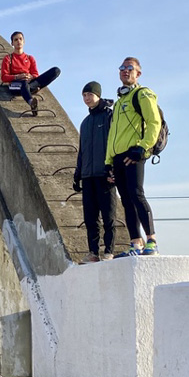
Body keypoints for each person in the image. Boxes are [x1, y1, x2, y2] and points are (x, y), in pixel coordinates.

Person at [105, 57, 161, 257]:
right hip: (118, 157)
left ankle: (151, 240)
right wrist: (108, 162)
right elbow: (113, 135)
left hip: (134, 154)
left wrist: (142, 148)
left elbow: (154, 122)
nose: (125, 71)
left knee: (137, 195)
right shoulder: (119, 103)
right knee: (126, 201)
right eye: (122, 68)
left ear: (138, 73)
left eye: (130, 68)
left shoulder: (143, 94)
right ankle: (135, 242)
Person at [73, 82, 117, 262]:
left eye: (89, 94)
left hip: (104, 173)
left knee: (108, 216)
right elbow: (82, 151)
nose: (86, 98)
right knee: (90, 218)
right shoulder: (86, 122)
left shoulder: (109, 116)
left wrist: (113, 169)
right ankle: (93, 252)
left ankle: (109, 250)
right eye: (84, 95)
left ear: (98, 95)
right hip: (88, 175)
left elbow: (114, 144)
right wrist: (78, 174)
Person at [0, 31, 60, 116]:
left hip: (29, 82)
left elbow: (35, 74)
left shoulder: (29, 58)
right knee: (24, 83)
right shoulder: (8, 58)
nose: (18, 41)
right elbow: (4, 77)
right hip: (15, 85)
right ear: (12, 43)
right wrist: (18, 77)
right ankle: (32, 103)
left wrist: (30, 77)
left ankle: (31, 89)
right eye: (16, 40)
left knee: (56, 70)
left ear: (24, 41)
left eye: (20, 39)